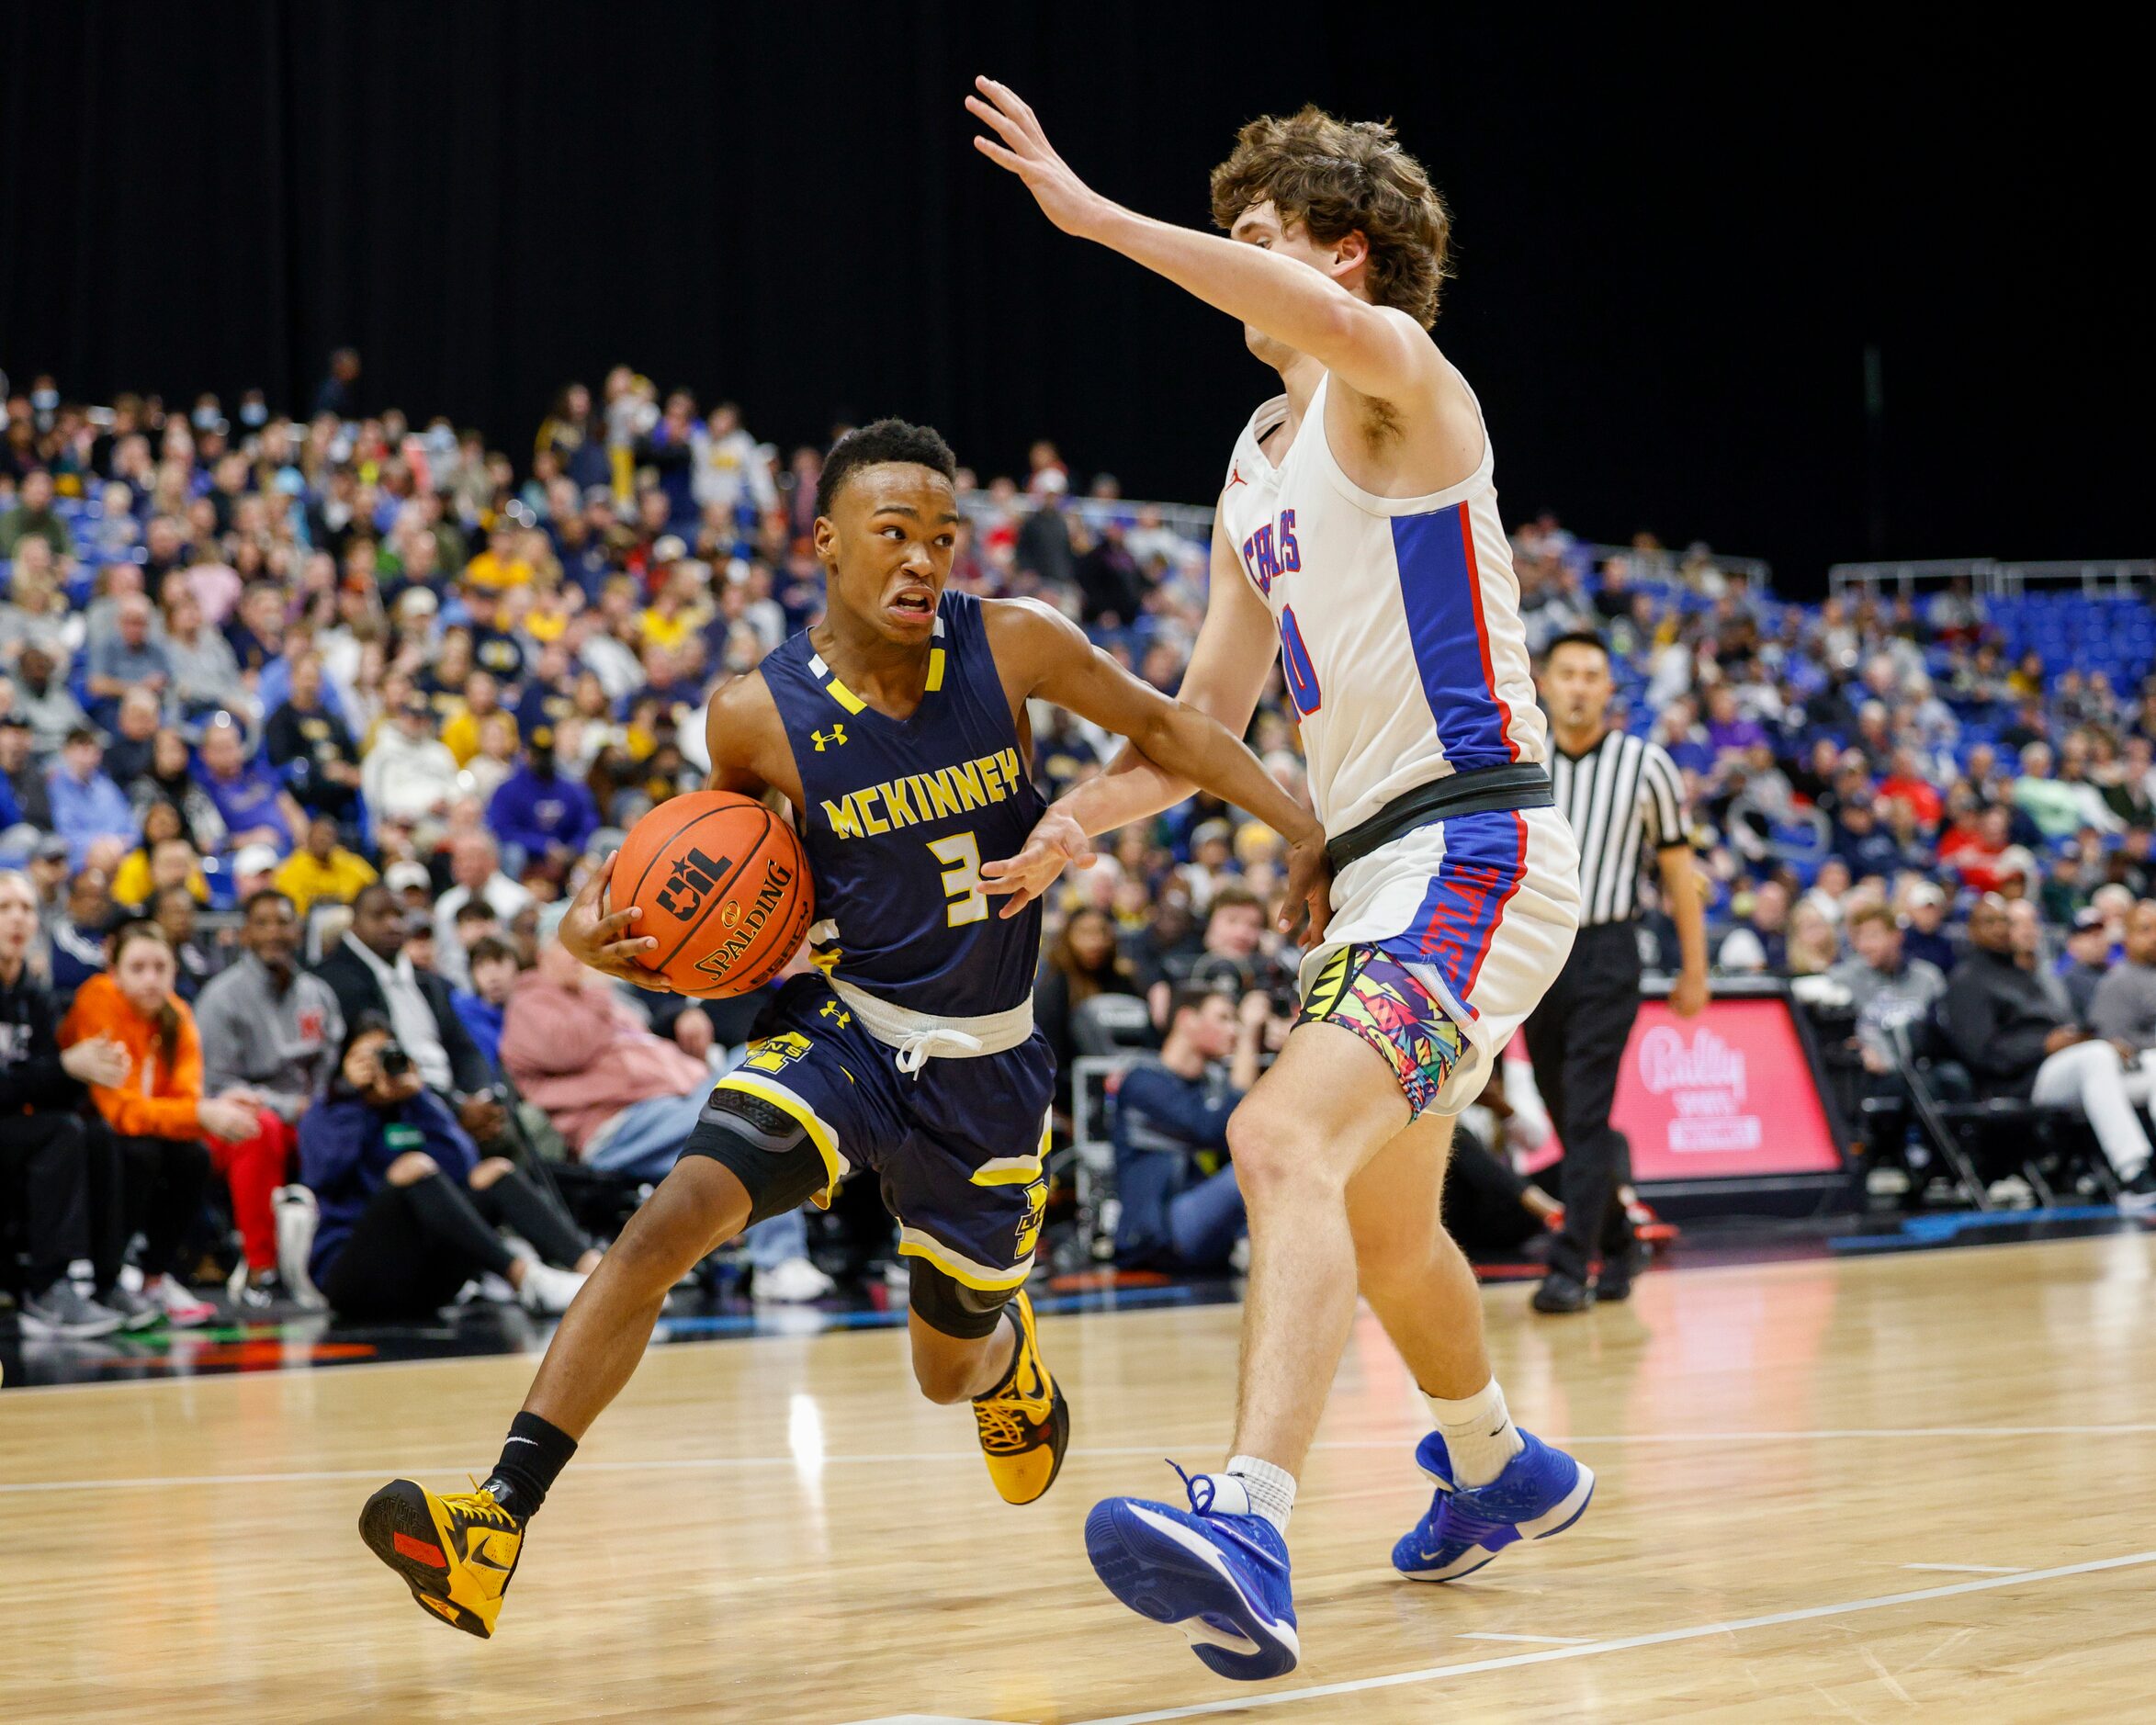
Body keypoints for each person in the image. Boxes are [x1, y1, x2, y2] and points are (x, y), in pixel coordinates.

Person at [358, 417, 1326, 1640]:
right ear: (822, 542)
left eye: (940, 535)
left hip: (988, 1068)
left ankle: (1002, 1356)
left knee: (943, 1369)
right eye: (893, 534)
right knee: (664, 1226)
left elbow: (1173, 730)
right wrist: (573, 926)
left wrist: (1294, 822)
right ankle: (492, 1519)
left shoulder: (1013, 640)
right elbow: (669, 878)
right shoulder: (752, 714)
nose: (923, 558)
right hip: (844, 1031)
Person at [971, 87, 1585, 1675]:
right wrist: (1075, 825)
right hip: (1381, 865)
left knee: (1272, 1131)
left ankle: (1248, 1514)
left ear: (1344, 256)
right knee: (1386, 1227)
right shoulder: (1256, 463)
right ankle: (1497, 1460)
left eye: (1256, 238)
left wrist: (1096, 219)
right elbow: (1198, 729)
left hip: (1477, 841)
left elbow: (1311, 314)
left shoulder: (1401, 388)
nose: (1232, 267)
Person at [496, 912, 828, 1301]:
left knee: (757, 1064)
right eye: (567, 946)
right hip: (617, 1125)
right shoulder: (531, 999)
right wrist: (597, 991)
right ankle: (776, 1261)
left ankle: (781, 1254)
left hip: (673, 1103)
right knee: (744, 1116)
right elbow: (567, 1047)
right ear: (541, 952)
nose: (579, 957)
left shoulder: (591, 997)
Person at [1526, 631, 1707, 1311]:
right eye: (1566, 673)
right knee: (1561, 1107)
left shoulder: (1645, 765)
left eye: (1590, 675)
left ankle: (1571, 1265)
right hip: (1536, 951)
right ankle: (1621, 1238)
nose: (1576, 686)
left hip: (1608, 950)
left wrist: (1695, 970)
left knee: (1586, 1105)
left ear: (1608, 688)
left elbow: (1676, 873)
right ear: (1544, 682)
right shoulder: (1520, 756)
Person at [301, 1018, 592, 1322]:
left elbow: (463, 1167)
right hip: (356, 1275)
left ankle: (600, 1273)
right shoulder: (328, 1111)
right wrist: (355, 1098)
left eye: (385, 1054)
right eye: (365, 1058)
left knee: (493, 1172)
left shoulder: (415, 1106)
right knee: (415, 1167)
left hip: (423, 1277)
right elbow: (324, 1174)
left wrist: (420, 1099)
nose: (377, 1066)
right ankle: (526, 1280)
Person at [59, 919, 259, 1327]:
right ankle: (106, 1278)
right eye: (138, 968)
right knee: (138, 1150)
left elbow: (183, 1102)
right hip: (87, 1131)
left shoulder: (179, 1015)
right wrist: (202, 1113)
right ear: (114, 971)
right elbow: (122, 1113)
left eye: (160, 967)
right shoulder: (97, 1001)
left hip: (141, 1132)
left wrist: (204, 1111)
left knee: (194, 1156)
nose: (151, 979)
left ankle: (154, 1277)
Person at [1940, 896, 2156, 1203]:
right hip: (2021, 1081)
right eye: (1990, 922)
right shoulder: (1966, 981)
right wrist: (2044, 1045)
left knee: (2151, 1062)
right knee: (2096, 1057)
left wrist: (2077, 1038)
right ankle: (2134, 1173)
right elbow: (1982, 1054)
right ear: (1971, 930)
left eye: (2005, 921)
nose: (2000, 929)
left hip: (2063, 1069)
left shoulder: (2023, 974)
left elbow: (2057, 1026)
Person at [194, 889, 345, 1302]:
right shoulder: (221, 998)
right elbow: (217, 1084)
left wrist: (322, 1105)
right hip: (244, 1119)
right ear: (245, 934)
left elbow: (332, 1065)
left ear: (298, 930)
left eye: (283, 922)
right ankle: (262, 1267)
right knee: (260, 1130)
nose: (275, 933)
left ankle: (345, 1257)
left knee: (359, 1123)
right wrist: (286, 1106)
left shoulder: (318, 993)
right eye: (262, 923)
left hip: (311, 1114)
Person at [0, 870, 133, 1336]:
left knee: (95, 1131)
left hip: (16, 1127)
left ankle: (106, 1281)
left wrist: (91, 1070)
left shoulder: (31, 994)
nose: (17, 919)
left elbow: (44, 1082)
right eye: (4, 908)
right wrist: (64, 1067)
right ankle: (47, 1287)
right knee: (59, 1133)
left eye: (27, 909)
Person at [314, 885, 506, 1150]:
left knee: (504, 1124)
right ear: (355, 923)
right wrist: (458, 1108)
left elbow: (464, 1049)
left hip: (452, 1100)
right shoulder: (335, 981)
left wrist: (482, 1096)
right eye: (379, 916)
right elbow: (386, 1067)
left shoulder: (428, 982)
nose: (392, 924)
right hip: (398, 1111)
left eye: (399, 915)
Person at [1111, 985, 1261, 1272]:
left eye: (1237, 1022)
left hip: (1202, 1229)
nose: (1234, 1031)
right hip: (1160, 1230)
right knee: (1252, 1168)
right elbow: (1215, 1129)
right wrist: (1249, 1040)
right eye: (1224, 1018)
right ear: (1186, 1019)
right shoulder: (1142, 1082)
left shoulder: (1212, 1085)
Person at [48, 727, 137, 869]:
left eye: (93, 750)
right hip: (78, 857)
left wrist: (117, 843)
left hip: (117, 852)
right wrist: (98, 845)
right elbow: (65, 832)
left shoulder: (107, 786)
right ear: (67, 752)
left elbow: (129, 825)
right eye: (82, 750)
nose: (88, 757)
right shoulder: (54, 786)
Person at [276, 812, 379, 917]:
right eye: (318, 834)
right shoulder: (292, 867)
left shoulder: (350, 863)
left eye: (328, 834)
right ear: (309, 837)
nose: (323, 839)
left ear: (336, 839)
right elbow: (289, 908)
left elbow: (374, 888)